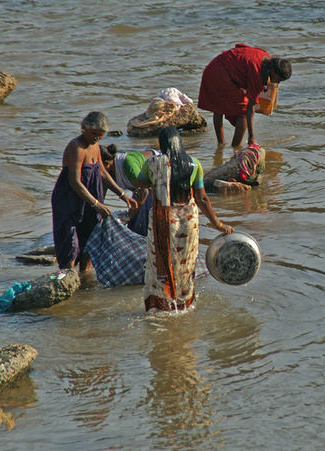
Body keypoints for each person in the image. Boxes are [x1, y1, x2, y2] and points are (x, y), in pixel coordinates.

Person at [138, 126, 234, 311]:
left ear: (162, 144)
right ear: (180, 143)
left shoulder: (154, 163)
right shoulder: (194, 164)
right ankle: (183, 305)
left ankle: (161, 305)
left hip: (162, 221)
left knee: (160, 263)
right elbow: (202, 199)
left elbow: (140, 182)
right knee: (186, 265)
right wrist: (218, 224)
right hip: (188, 222)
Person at [51, 112, 138, 272]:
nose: (96, 138)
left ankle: (85, 280)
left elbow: (103, 173)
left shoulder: (95, 147)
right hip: (70, 199)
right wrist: (96, 204)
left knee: (91, 240)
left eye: (100, 135)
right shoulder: (76, 147)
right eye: (93, 134)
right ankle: (67, 279)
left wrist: (122, 195)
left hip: (90, 198)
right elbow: (75, 182)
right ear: (83, 128)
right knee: (70, 244)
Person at [198, 43, 292, 148]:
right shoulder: (258, 74)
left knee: (218, 108)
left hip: (213, 67)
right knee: (243, 112)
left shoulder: (265, 57)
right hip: (221, 75)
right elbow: (250, 109)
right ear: (273, 72)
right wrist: (252, 136)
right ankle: (236, 147)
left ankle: (221, 144)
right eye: (278, 80)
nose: (277, 83)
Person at [100, 144, 159, 236]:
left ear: (106, 164)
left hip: (156, 179)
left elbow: (144, 192)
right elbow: (100, 198)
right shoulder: (107, 174)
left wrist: (129, 216)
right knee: (134, 222)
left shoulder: (128, 165)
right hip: (140, 188)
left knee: (142, 222)